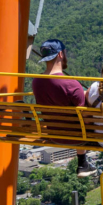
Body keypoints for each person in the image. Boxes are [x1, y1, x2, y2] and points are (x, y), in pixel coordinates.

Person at [30, 39, 93, 177]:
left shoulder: (36, 82)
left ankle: (83, 164)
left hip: (54, 135)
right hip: (78, 137)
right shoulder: (72, 84)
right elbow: (84, 118)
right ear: (60, 55)